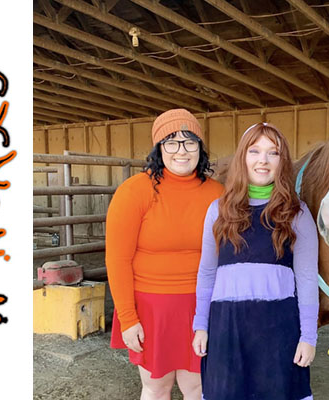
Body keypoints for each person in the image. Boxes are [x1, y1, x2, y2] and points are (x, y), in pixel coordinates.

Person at [192, 122, 319, 400]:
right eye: (254, 151)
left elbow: (308, 279)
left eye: (273, 153)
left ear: (282, 162)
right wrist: (201, 325)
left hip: (278, 331)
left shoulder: (297, 214)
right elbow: (207, 272)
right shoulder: (218, 211)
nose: (263, 160)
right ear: (243, 157)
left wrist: (308, 337)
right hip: (227, 330)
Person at [106, 109, 223, 400]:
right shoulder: (134, 191)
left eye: (190, 142)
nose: (181, 151)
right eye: (171, 142)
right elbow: (118, 260)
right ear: (158, 148)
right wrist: (128, 318)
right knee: (156, 388)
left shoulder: (219, 194)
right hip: (151, 308)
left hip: (201, 306)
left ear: (200, 147)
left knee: (197, 387)